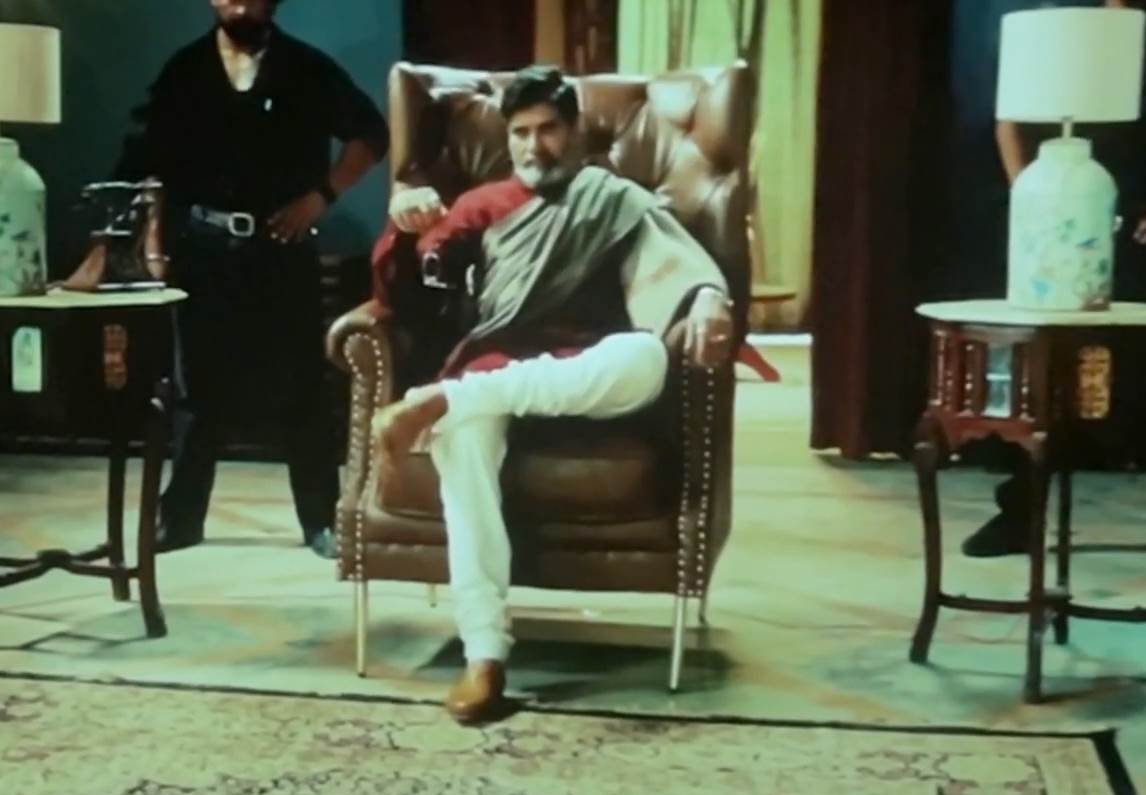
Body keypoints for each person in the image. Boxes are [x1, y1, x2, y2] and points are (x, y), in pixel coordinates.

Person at [372, 67, 735, 725]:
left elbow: (679, 269)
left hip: (584, 374)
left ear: (575, 132)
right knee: (464, 437)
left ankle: (448, 400)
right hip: (495, 363)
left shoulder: (615, 199)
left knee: (647, 357)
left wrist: (709, 298)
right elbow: (415, 296)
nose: (533, 145)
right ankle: (484, 655)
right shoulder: (481, 205)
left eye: (547, 130)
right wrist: (404, 229)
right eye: (520, 132)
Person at [973, 0, 1146, 580]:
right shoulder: (1061, 23)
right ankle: (1020, 511)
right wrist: (1034, 201)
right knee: (1052, 372)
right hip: (1075, 226)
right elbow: (1009, 119)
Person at [129, 0, 387, 559]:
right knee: (195, 392)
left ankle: (321, 521)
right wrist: (153, 246)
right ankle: (181, 519)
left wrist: (321, 197)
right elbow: (151, 163)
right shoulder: (184, 70)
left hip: (281, 252)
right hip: (202, 252)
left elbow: (371, 136)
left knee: (303, 389)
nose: (241, 3)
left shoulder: (307, 68)